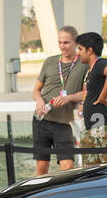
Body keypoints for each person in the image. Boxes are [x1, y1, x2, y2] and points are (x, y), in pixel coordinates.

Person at [32, 26, 89, 174]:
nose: (62, 46)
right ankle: (43, 197)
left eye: (66, 42)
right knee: (41, 168)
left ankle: (62, 195)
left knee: (67, 167)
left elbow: (86, 92)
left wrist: (69, 98)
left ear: (76, 42)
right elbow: (36, 90)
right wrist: (39, 101)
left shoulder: (83, 64)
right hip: (41, 120)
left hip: (63, 123)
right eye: (60, 42)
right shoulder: (49, 62)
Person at [76, 31, 107, 166]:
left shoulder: (101, 63)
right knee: (90, 171)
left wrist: (102, 97)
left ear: (89, 50)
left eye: (80, 49)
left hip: (105, 126)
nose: (77, 52)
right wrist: (84, 104)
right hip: (93, 127)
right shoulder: (92, 69)